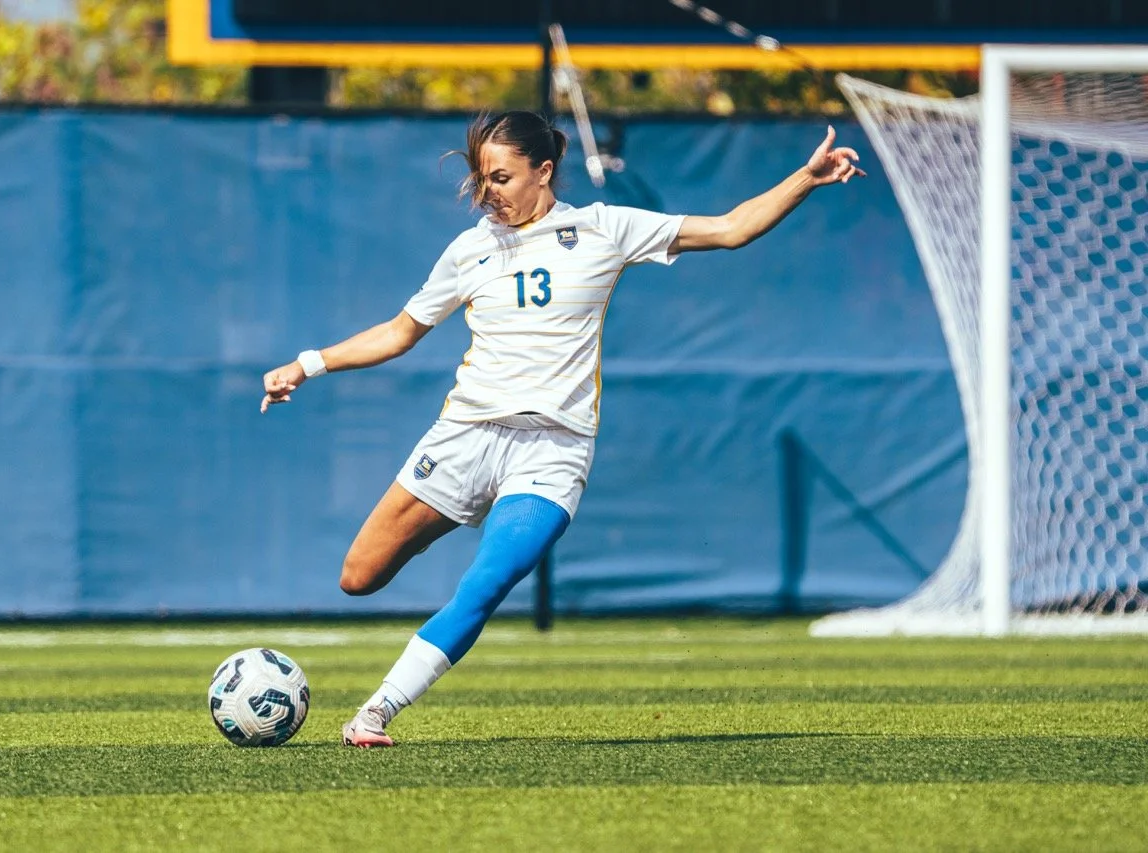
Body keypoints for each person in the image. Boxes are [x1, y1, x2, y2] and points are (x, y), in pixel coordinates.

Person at [261, 110, 863, 748]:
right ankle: (446, 519)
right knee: (358, 577)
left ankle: (375, 713)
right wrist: (307, 364)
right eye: (481, 178)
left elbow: (730, 228)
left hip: (552, 452)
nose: (487, 191)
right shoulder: (469, 249)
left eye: (501, 177)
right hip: (465, 436)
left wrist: (805, 178)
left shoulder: (604, 227)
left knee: (486, 584)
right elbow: (398, 332)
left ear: (543, 171)